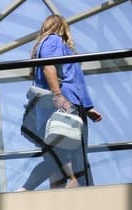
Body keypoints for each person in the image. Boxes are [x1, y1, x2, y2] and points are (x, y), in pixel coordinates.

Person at [18, 15, 104, 190]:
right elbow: (49, 66)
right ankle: (27, 188)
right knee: (74, 158)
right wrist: (58, 95)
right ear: (62, 27)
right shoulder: (54, 40)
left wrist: (88, 107)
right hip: (64, 107)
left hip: (57, 109)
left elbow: (75, 81)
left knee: (60, 159)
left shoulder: (48, 44)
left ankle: (29, 190)